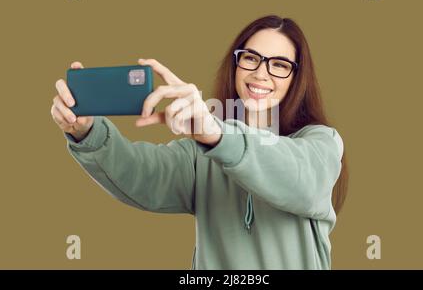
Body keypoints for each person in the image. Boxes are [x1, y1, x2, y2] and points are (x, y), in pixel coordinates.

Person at [50, 15, 349, 270]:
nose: (261, 73)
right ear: (236, 65)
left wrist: (215, 133)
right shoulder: (202, 153)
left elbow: (297, 177)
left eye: (280, 65)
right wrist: (87, 132)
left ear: (297, 78)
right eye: (251, 58)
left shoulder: (322, 143)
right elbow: (140, 174)